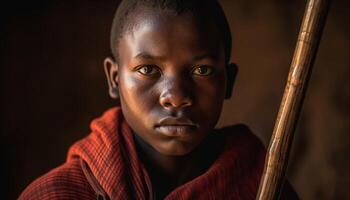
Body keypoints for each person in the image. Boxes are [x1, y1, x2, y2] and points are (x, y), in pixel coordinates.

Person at [19, 0, 298, 199]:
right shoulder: (58, 194)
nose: (176, 98)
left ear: (229, 81)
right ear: (114, 79)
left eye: (201, 70)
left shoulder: (265, 186)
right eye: (148, 70)